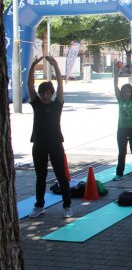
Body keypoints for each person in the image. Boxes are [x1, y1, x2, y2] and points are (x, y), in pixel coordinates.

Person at [27, 55, 73, 218]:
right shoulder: (36, 103)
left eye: (48, 93)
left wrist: (56, 67)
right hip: (38, 144)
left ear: (51, 94)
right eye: (43, 93)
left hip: (55, 144)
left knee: (61, 175)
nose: (45, 96)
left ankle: (67, 206)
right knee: (41, 177)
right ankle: (39, 206)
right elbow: (29, 86)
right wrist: (32, 67)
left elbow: (61, 86)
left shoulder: (57, 105)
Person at [113, 68, 132, 181]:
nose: (126, 93)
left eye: (128, 91)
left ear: (131, 93)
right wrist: (116, 75)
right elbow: (115, 87)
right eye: (124, 91)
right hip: (122, 129)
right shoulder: (120, 99)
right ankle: (119, 173)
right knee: (122, 152)